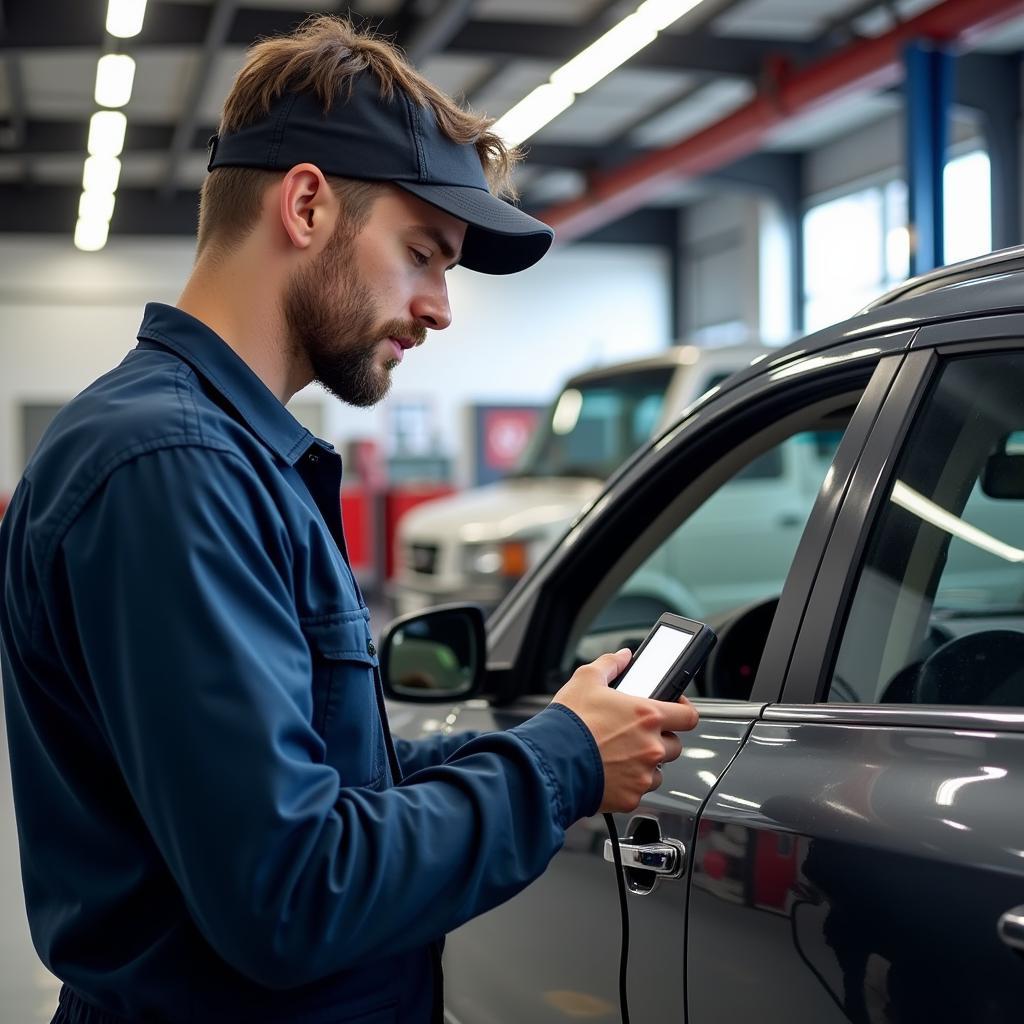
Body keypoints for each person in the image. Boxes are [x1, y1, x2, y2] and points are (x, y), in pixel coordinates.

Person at [0, 17, 698, 1024]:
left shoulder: (228, 458)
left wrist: (556, 733)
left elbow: (325, 780)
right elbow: (291, 892)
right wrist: (561, 763)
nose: (441, 307)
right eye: (422, 253)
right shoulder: (175, 470)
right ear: (308, 204)